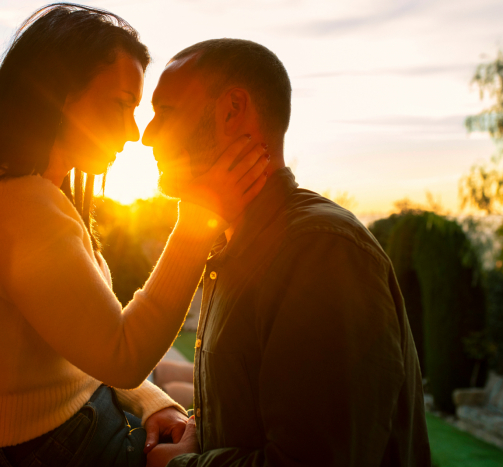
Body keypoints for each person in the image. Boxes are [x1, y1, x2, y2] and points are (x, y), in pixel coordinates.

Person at [0, 5, 270, 467]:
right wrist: (199, 219)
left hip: (73, 429)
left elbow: (90, 348)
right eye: (120, 104)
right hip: (46, 451)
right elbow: (122, 353)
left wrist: (152, 403)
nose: (133, 131)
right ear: (58, 94)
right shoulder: (19, 207)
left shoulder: (32, 196)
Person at [142, 39, 432, 467]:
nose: (147, 136)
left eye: (165, 112)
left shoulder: (320, 250)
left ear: (231, 110)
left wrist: (174, 465)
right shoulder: (233, 246)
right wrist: (198, 431)